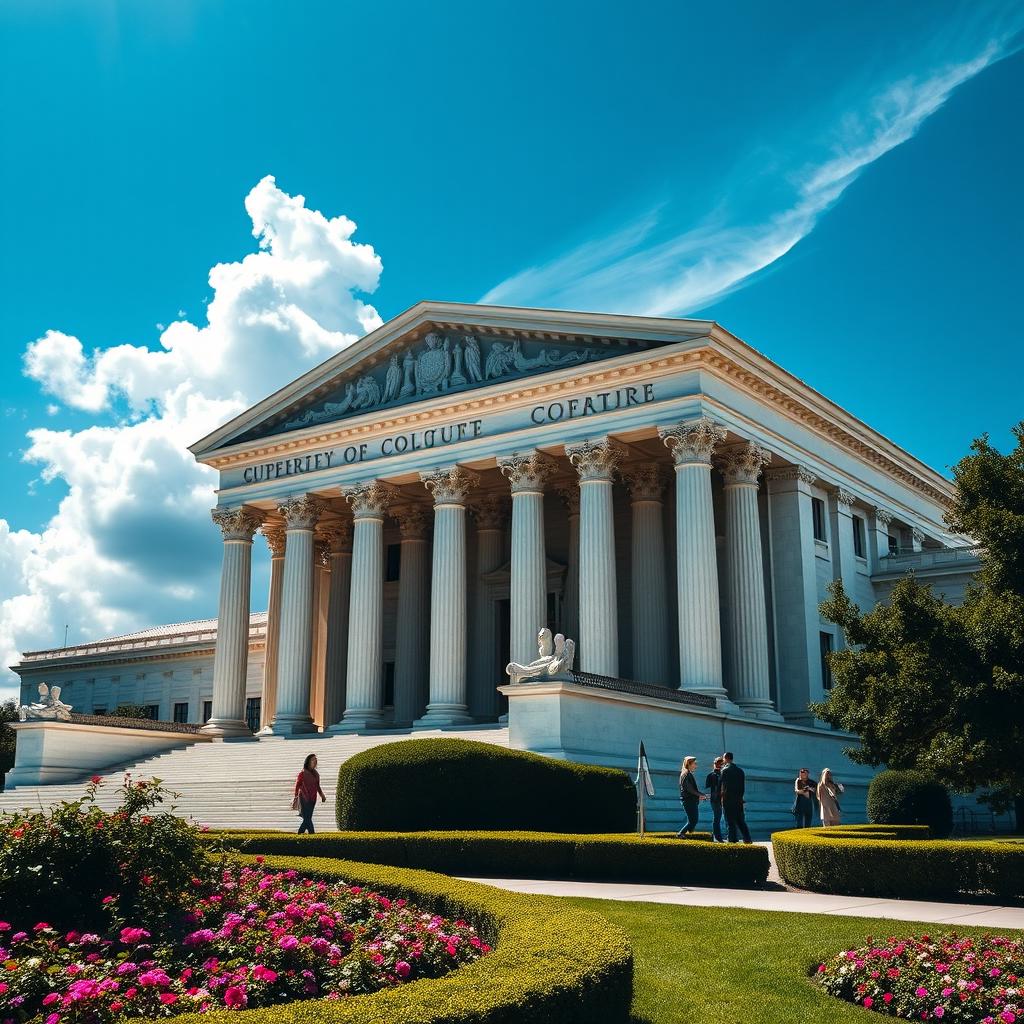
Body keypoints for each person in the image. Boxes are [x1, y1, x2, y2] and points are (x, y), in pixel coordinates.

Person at [719, 751, 752, 844]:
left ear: (726, 758)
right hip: (738, 800)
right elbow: (742, 787)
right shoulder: (740, 771)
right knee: (740, 821)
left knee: (730, 822)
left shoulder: (724, 770)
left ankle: (732, 840)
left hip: (728, 800)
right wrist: (741, 798)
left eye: (724, 758)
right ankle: (747, 839)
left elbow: (721, 786)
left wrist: (720, 797)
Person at [292, 753, 326, 835]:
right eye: (313, 759)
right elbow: (297, 786)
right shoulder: (302, 773)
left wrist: (322, 795)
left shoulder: (316, 774)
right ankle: (311, 836)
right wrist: (296, 797)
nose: (315, 761)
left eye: (316, 759)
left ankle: (302, 837)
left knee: (307, 819)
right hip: (304, 798)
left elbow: (317, 786)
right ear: (308, 762)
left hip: (312, 799)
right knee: (307, 819)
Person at [676, 756, 707, 837]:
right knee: (693, 820)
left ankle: (688, 832)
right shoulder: (686, 774)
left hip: (689, 800)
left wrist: (701, 795)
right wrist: (701, 795)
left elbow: (690, 790)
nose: (696, 766)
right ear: (689, 764)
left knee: (692, 820)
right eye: (695, 764)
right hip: (688, 801)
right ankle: (681, 834)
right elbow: (690, 789)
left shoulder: (686, 773)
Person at [705, 756, 725, 842]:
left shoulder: (717, 774)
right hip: (716, 800)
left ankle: (718, 836)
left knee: (717, 818)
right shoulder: (713, 775)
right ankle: (718, 837)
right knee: (717, 818)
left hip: (718, 799)